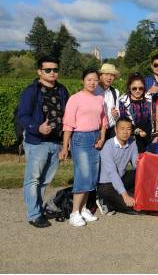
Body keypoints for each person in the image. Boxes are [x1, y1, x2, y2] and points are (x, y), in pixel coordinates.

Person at [18, 56, 69, 228]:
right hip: (37, 142)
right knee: (33, 180)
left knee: (45, 180)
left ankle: (38, 210)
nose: (52, 73)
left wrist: (65, 141)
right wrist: (37, 127)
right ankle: (34, 215)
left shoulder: (62, 90)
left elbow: (67, 115)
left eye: (55, 69)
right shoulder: (32, 91)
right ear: (39, 71)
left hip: (55, 142)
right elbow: (23, 116)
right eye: (48, 70)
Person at [60, 68, 107, 227]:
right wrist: (65, 147)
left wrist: (102, 137)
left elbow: (103, 121)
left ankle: (84, 208)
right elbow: (68, 124)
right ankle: (74, 212)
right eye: (89, 80)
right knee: (83, 175)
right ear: (83, 81)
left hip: (95, 137)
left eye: (95, 80)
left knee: (92, 176)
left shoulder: (99, 99)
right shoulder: (75, 99)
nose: (92, 83)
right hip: (80, 138)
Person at [97, 117, 139, 214]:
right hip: (106, 184)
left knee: (138, 173)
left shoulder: (132, 143)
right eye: (122, 128)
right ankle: (105, 202)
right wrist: (125, 196)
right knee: (135, 207)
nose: (125, 132)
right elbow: (112, 173)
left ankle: (120, 198)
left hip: (121, 179)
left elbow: (137, 165)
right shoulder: (108, 146)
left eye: (128, 129)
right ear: (116, 130)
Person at [118, 72, 153, 153]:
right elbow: (124, 121)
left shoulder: (149, 99)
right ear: (129, 87)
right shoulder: (123, 101)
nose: (137, 91)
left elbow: (152, 118)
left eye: (140, 88)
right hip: (132, 138)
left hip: (148, 138)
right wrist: (138, 131)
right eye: (134, 88)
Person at [95, 63, 120, 140]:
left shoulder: (115, 92)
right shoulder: (93, 90)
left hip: (111, 131)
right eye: (106, 74)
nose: (109, 78)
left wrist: (116, 114)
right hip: (96, 131)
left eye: (112, 75)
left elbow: (117, 114)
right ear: (100, 76)